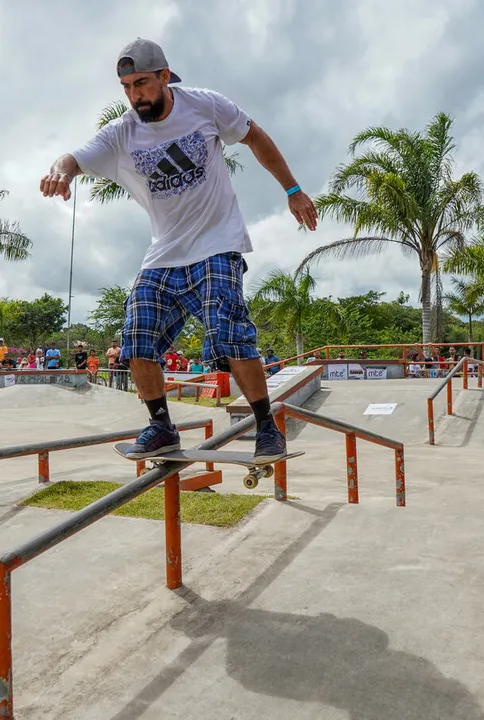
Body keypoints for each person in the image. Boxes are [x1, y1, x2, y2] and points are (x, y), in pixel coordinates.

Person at [39, 38, 317, 460]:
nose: (136, 96)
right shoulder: (122, 133)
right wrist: (60, 172)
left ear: (165, 77)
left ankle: (265, 427)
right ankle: (161, 427)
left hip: (218, 244)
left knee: (229, 332)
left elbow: (255, 136)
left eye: (143, 84)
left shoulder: (205, 106)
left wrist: (293, 190)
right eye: (128, 88)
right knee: (135, 337)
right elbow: (74, 157)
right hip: (165, 254)